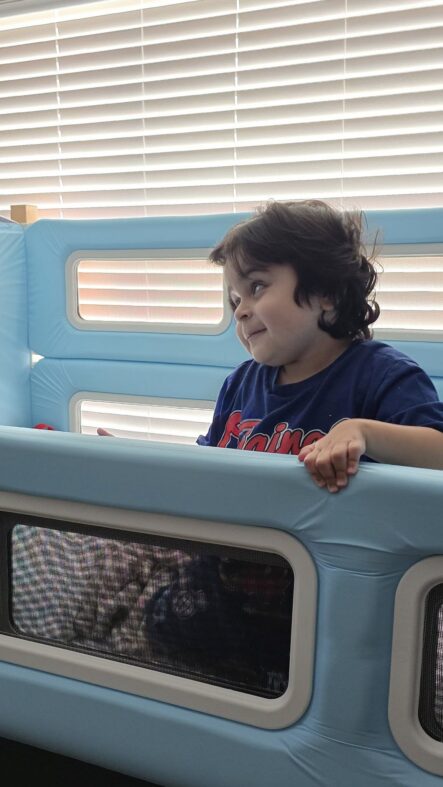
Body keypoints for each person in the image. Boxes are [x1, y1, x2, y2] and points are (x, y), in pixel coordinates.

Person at [196, 199, 443, 493]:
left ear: (326, 291)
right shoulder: (239, 385)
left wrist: (363, 432)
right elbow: (203, 474)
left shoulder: (381, 375)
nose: (239, 311)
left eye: (257, 287)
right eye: (235, 300)